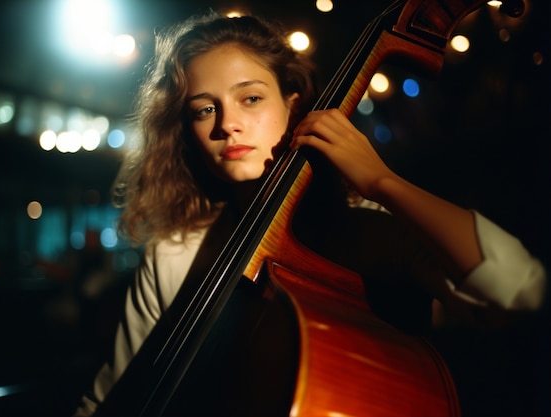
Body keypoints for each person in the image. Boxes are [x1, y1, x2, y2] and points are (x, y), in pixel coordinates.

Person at [73, 11, 547, 416]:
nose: (228, 124)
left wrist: (383, 183)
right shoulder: (176, 248)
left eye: (251, 98)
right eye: (203, 110)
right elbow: (109, 397)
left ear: (293, 103)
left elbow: (520, 292)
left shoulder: (374, 228)